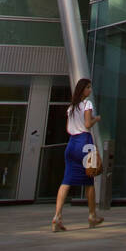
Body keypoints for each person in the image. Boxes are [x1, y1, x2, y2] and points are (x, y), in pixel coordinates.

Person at [52, 77, 104, 232]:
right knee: (90, 179)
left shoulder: (71, 108)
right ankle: (92, 216)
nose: (90, 90)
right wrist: (96, 119)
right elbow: (87, 124)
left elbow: (68, 128)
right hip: (85, 142)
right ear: (82, 90)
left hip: (72, 144)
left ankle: (57, 217)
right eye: (88, 87)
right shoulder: (88, 104)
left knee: (66, 181)